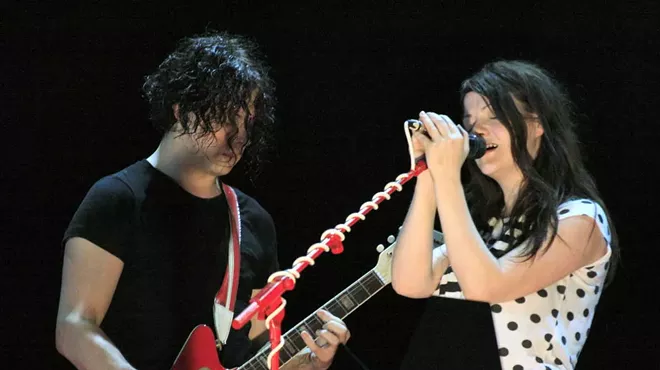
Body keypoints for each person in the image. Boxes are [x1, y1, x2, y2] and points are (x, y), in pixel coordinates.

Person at [55, 31, 350, 370]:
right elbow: (74, 326)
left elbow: (256, 350)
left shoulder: (254, 221)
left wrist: (308, 363)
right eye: (225, 118)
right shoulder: (117, 198)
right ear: (181, 110)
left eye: (247, 124)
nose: (238, 138)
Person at [391, 60, 619, 369]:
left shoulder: (580, 219)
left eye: (494, 115)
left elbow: (487, 287)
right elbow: (410, 283)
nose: (476, 130)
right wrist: (428, 174)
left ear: (537, 124)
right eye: (469, 120)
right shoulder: (485, 224)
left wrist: (447, 178)